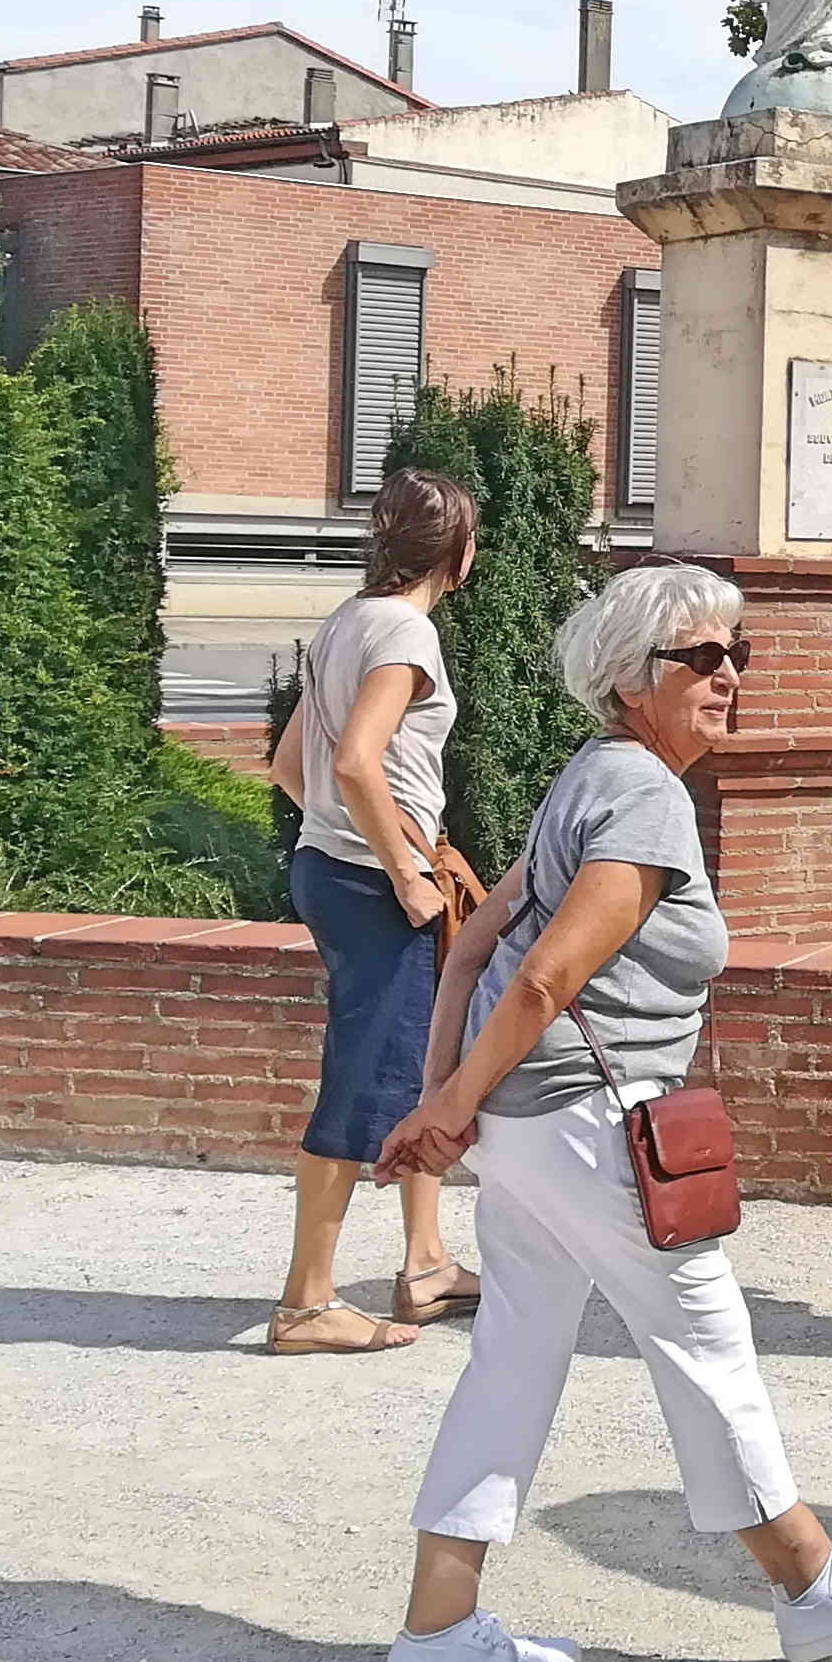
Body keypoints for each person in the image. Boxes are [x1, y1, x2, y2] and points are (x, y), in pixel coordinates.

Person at [371, 566, 832, 1662]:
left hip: (530, 1125)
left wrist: (455, 1099)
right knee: (706, 1340)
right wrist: (443, 1106)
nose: (729, 677)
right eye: (703, 659)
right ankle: (810, 1583)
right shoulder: (640, 793)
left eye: (736, 657)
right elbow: (544, 973)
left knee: (512, 1361)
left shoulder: (587, 778)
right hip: (597, 1125)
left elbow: (467, 947)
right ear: (635, 679)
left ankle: (438, 1633)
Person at [266, 470, 482, 1355]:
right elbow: (356, 759)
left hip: (329, 866)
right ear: (458, 555)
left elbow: (290, 764)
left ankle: (426, 1262)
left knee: (414, 1062)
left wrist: (361, 838)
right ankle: (306, 1305)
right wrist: (403, 866)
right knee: (362, 1076)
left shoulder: (343, 625)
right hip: (373, 881)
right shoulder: (406, 632)